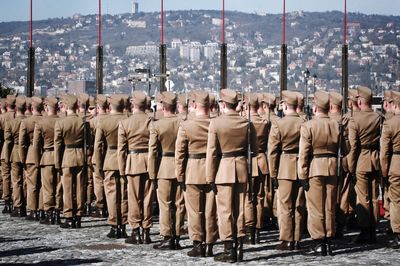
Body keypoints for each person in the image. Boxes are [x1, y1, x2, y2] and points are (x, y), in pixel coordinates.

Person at [206, 89, 257, 263]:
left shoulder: (216, 123)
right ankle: (240, 245)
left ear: (223, 104)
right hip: (242, 168)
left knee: (225, 211)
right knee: (240, 209)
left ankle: (229, 249)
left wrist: (210, 177)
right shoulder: (246, 123)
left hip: (224, 169)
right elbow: (254, 150)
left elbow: (212, 153)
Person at [175, 90, 218, 257]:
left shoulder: (186, 125)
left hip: (192, 170)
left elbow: (180, 153)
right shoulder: (216, 123)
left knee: (194, 211)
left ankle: (198, 243)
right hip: (212, 169)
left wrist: (180, 175)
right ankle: (210, 244)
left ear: (193, 105)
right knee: (210, 211)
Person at [298, 90, 339, 256]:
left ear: (315, 108)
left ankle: (319, 242)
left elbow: (304, 153)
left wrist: (302, 174)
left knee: (316, 208)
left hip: (315, 167)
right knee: (329, 206)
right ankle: (329, 239)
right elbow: (346, 148)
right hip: (332, 166)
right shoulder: (336, 125)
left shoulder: (308, 126)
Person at [268, 91, 305, 251]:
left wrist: (273, 172)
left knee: (285, 206)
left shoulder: (279, 124)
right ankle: (297, 238)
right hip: (301, 166)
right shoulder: (305, 122)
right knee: (299, 204)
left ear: (285, 105)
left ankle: (286, 238)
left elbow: (272, 151)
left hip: (284, 166)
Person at [149, 91, 185, 250]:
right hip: (180, 166)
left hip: (163, 166)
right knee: (179, 203)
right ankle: (177, 235)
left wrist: (152, 173)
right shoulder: (183, 122)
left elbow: (152, 152)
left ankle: (167, 236)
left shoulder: (157, 125)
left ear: (163, 106)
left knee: (165, 205)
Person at [118, 91, 153, 244]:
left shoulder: (125, 123)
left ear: (133, 104)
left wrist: (122, 169)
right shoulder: (151, 121)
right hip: (148, 161)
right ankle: (146, 231)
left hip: (132, 162)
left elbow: (121, 150)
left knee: (133, 199)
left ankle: (135, 231)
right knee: (147, 198)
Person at [348, 86, 381, 243]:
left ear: (360, 101)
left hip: (361, 159)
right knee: (374, 196)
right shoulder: (378, 118)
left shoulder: (355, 120)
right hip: (375, 159)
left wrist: (351, 166)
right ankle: (373, 228)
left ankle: (365, 229)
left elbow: (354, 146)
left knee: (363, 198)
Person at [94, 95, 129, 238]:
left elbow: (98, 146)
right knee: (124, 194)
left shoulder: (104, 122)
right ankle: (124, 224)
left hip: (109, 159)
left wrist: (99, 165)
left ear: (109, 107)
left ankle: (114, 225)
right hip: (126, 160)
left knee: (111, 195)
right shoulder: (127, 120)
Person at [54, 95, 91, 229]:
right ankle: (79, 215)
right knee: (80, 187)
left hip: (67, 156)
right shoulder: (84, 122)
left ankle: (69, 216)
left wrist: (57, 162)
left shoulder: (61, 123)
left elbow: (58, 145)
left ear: (65, 106)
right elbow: (89, 142)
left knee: (68, 189)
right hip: (80, 156)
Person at [243, 93, 268, 244]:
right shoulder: (265, 122)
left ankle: (250, 229)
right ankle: (257, 230)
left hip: (250, 160)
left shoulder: (245, 123)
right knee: (259, 196)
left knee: (248, 197)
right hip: (262, 160)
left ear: (246, 106)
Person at [32, 97, 61, 224]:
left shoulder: (41, 123)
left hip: (47, 156)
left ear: (46, 108)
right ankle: (58, 211)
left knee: (48, 187)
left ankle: (49, 212)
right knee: (59, 186)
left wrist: (37, 161)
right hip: (60, 157)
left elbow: (36, 145)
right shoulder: (62, 121)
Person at [19, 96, 44, 221]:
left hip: (30, 155)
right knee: (43, 184)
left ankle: (33, 210)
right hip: (44, 154)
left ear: (32, 108)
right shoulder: (46, 120)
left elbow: (22, 142)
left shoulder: (26, 122)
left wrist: (22, 159)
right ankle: (42, 209)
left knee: (32, 184)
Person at [380, 91, 400, 247]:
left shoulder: (390, 123)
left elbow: (384, 151)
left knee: (396, 200)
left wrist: (384, 171)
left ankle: (398, 232)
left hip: (396, 163)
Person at [4, 96, 27, 217]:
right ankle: (27, 203)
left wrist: (7, 157)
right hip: (28, 152)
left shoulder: (11, 123)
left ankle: (18, 205)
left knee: (16, 180)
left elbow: (8, 142)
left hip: (15, 152)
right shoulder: (29, 121)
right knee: (26, 180)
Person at [90, 95, 108, 218]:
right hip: (112, 154)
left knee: (98, 181)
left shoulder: (93, 121)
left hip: (98, 154)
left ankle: (100, 205)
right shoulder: (115, 119)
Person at [0, 95, 16, 213]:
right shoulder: (19, 117)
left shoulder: (2, 117)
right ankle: (17, 200)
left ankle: (7, 201)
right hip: (18, 149)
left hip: (6, 148)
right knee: (17, 177)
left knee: (6, 176)